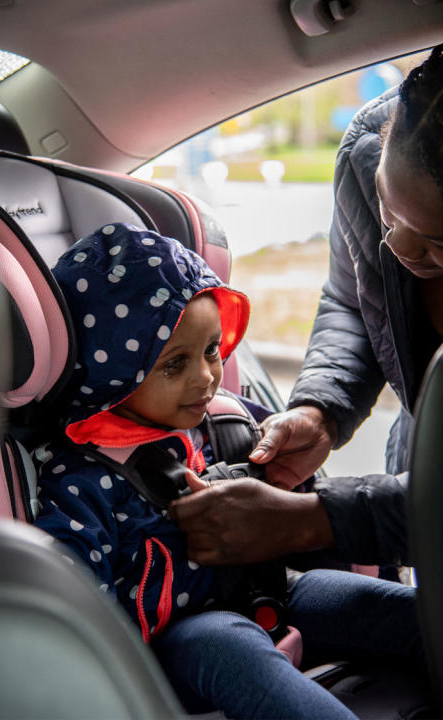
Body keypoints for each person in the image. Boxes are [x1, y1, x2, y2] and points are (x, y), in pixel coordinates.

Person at [32, 223, 422, 719]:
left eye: (212, 349)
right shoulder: (83, 474)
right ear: (115, 374)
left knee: (393, 608)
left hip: (272, 593)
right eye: (174, 365)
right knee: (230, 643)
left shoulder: (229, 420)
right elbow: (71, 598)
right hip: (179, 643)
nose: (206, 377)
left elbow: (309, 508)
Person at [177, 47, 443, 567]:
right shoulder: (365, 147)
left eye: (437, 242)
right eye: (388, 211)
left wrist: (312, 521)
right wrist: (321, 410)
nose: (400, 249)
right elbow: (355, 302)